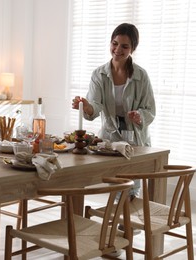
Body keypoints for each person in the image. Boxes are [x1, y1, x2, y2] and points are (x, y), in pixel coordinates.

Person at [72, 23, 156, 198]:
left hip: (135, 139)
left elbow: (150, 110)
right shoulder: (99, 74)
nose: (118, 49)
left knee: (131, 188)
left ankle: (128, 224)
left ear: (132, 48)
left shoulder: (141, 76)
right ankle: (121, 222)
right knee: (115, 187)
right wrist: (87, 106)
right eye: (114, 43)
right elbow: (95, 105)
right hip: (110, 140)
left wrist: (139, 116)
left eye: (124, 46)